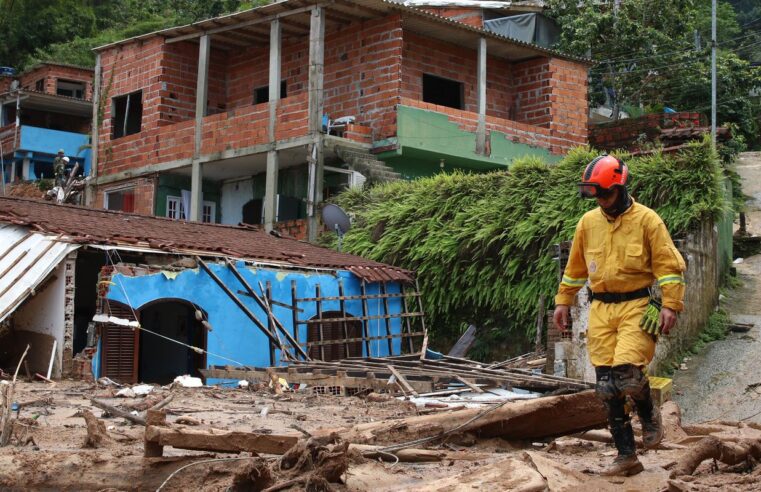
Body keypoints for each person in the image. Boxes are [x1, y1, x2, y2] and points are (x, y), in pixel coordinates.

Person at [553, 154, 686, 476]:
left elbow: (669, 268)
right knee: (606, 387)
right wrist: (563, 301)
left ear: (621, 187)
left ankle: (649, 413)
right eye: (595, 195)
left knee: (627, 374)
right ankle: (626, 456)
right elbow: (575, 270)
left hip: (637, 306)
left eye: (606, 194)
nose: (601, 201)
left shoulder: (648, 220)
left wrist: (670, 304)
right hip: (600, 308)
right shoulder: (588, 223)